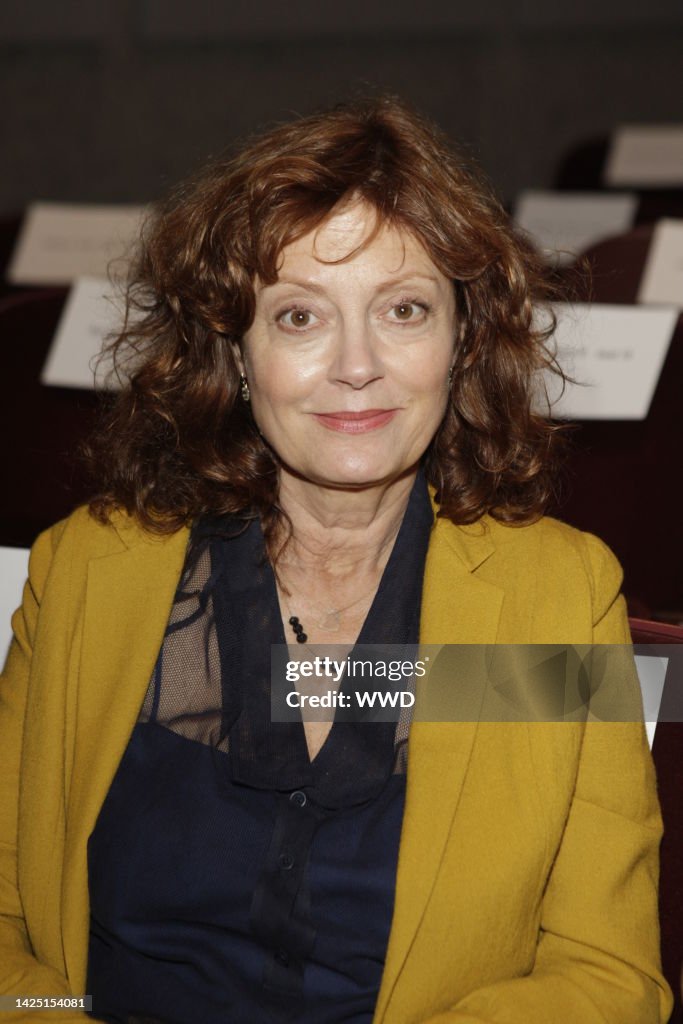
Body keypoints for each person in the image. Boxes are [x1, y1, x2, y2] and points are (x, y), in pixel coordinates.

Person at [0, 97, 671, 1023]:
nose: (357, 365)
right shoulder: (87, 572)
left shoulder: (554, 597)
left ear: (461, 339)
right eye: (299, 317)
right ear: (235, 353)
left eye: (403, 310)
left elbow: (607, 973)